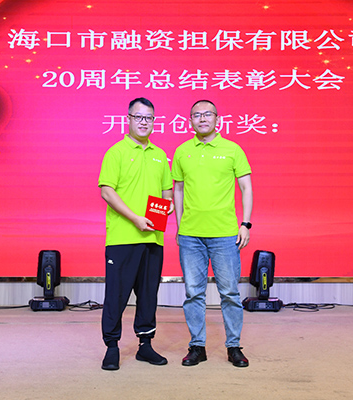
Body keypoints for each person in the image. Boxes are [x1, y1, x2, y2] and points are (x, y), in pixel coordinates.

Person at [172, 100, 253, 368]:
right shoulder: (183, 151)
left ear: (217, 118)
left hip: (225, 235)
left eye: (207, 114)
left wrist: (246, 224)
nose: (202, 119)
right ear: (190, 120)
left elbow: (246, 187)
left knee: (229, 292)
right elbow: (178, 190)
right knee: (193, 293)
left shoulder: (232, 149)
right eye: (196, 115)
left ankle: (234, 346)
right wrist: (180, 226)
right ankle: (197, 346)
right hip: (191, 236)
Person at [98, 97, 173, 371]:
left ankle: (145, 345)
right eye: (139, 117)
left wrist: (168, 205)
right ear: (128, 119)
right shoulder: (116, 152)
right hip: (122, 237)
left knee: (148, 294)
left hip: (153, 237)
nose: (144, 122)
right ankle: (112, 347)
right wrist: (135, 219)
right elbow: (107, 191)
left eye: (149, 118)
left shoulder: (159, 155)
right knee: (116, 294)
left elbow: (166, 191)